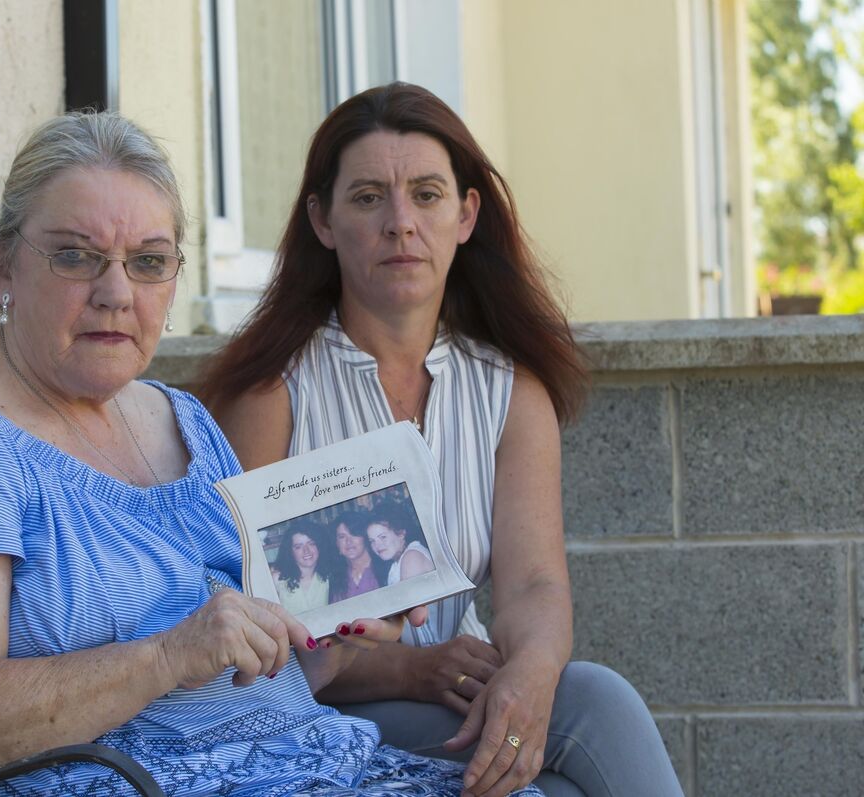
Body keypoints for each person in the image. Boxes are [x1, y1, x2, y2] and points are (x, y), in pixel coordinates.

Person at [0, 110, 546, 797]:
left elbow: (259, 673)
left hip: (299, 765)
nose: (114, 292)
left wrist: (337, 628)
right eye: (75, 256)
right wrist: (169, 654)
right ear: (4, 267)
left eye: (148, 261)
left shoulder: (181, 419)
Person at [203, 83, 684, 797]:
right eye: (368, 197)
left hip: (453, 696)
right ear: (322, 220)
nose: (401, 222)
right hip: (306, 714)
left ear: (466, 214)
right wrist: (410, 668)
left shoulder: (509, 389)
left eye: (426, 194)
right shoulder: (272, 392)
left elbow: (534, 584)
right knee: (599, 710)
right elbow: (244, 635)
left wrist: (531, 670)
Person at [273, 523, 332, 613]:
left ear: (319, 546)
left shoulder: (329, 577)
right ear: (290, 552)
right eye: (298, 547)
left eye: (311, 544)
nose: (306, 550)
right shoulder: (277, 579)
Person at [366, 513, 434, 585]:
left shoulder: (412, 557)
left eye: (383, 537)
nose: (377, 545)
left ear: (401, 534)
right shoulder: (396, 563)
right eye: (372, 541)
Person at [327, 510, 381, 602]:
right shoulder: (336, 578)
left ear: (365, 537)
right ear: (337, 543)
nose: (348, 541)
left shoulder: (384, 568)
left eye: (353, 534)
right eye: (342, 537)